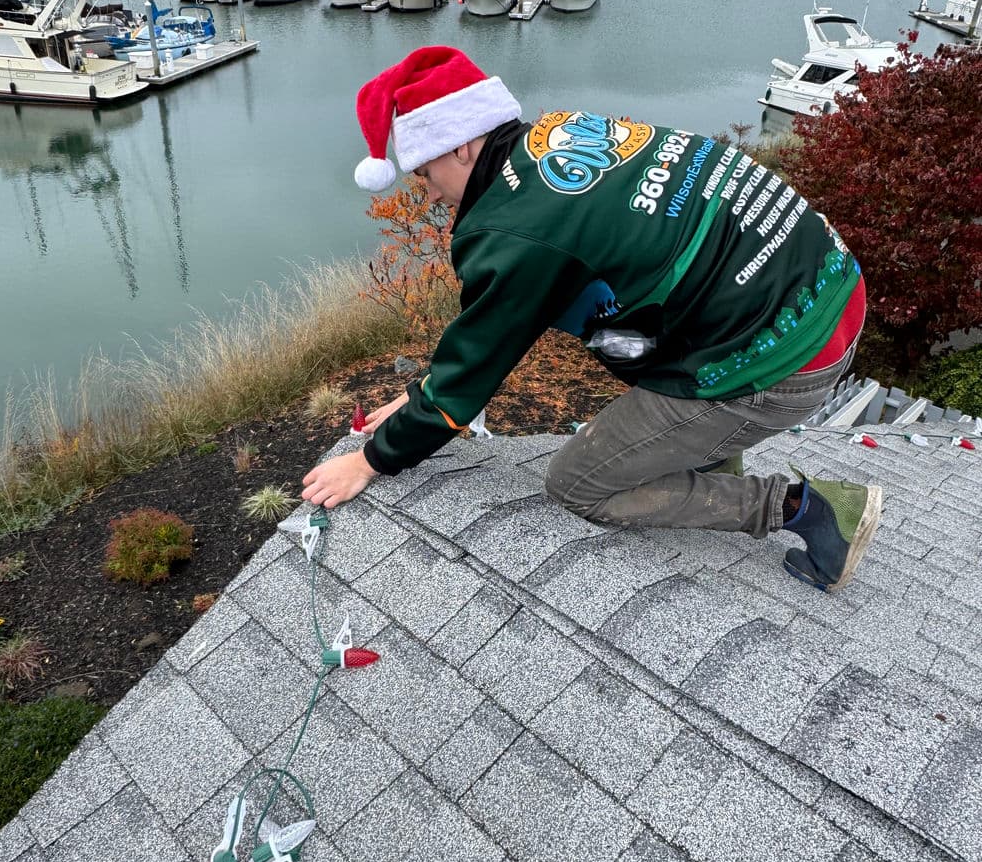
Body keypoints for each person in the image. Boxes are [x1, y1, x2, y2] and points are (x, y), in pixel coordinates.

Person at [302, 45, 881, 593]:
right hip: (826, 283)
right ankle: (705, 451)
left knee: (579, 482)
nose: (427, 195)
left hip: (784, 355)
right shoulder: (556, 134)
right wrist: (426, 391)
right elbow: (487, 338)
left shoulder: (513, 229)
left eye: (424, 174)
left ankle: (806, 506)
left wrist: (372, 460)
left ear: (461, 147)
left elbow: (471, 374)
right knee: (637, 340)